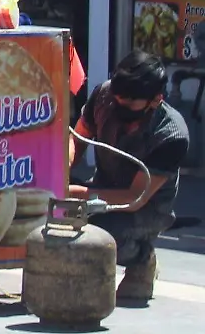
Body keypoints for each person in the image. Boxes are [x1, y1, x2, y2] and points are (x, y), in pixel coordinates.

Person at [70, 51, 190, 303]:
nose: (119, 105)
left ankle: (141, 257)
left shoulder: (172, 134)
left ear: (155, 100)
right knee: (61, 220)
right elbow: (78, 139)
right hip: (102, 188)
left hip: (146, 208)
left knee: (97, 236)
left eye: (129, 103)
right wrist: (61, 168)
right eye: (117, 97)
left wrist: (77, 194)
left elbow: (135, 198)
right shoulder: (104, 96)